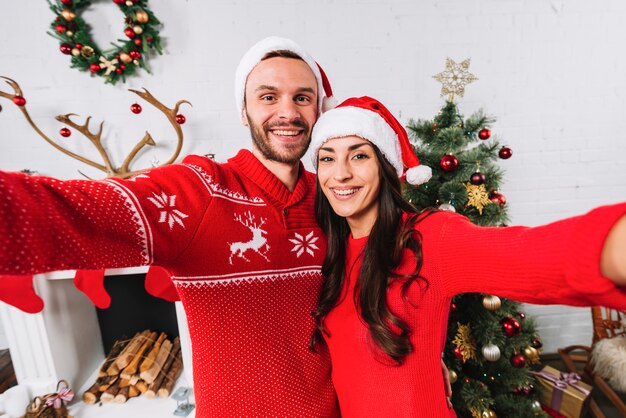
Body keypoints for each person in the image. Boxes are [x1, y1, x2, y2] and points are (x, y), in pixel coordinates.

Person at [0, 36, 339, 417]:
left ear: (318, 110)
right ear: (243, 111)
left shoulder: (332, 197)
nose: (287, 112)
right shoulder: (198, 190)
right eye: (268, 96)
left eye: (302, 97)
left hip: (328, 408)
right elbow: (74, 211)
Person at [308, 96, 626, 417]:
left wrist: (613, 245)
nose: (341, 174)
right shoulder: (331, 252)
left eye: (359, 155)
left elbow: (533, 256)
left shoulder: (428, 237)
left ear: (386, 165)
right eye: (327, 158)